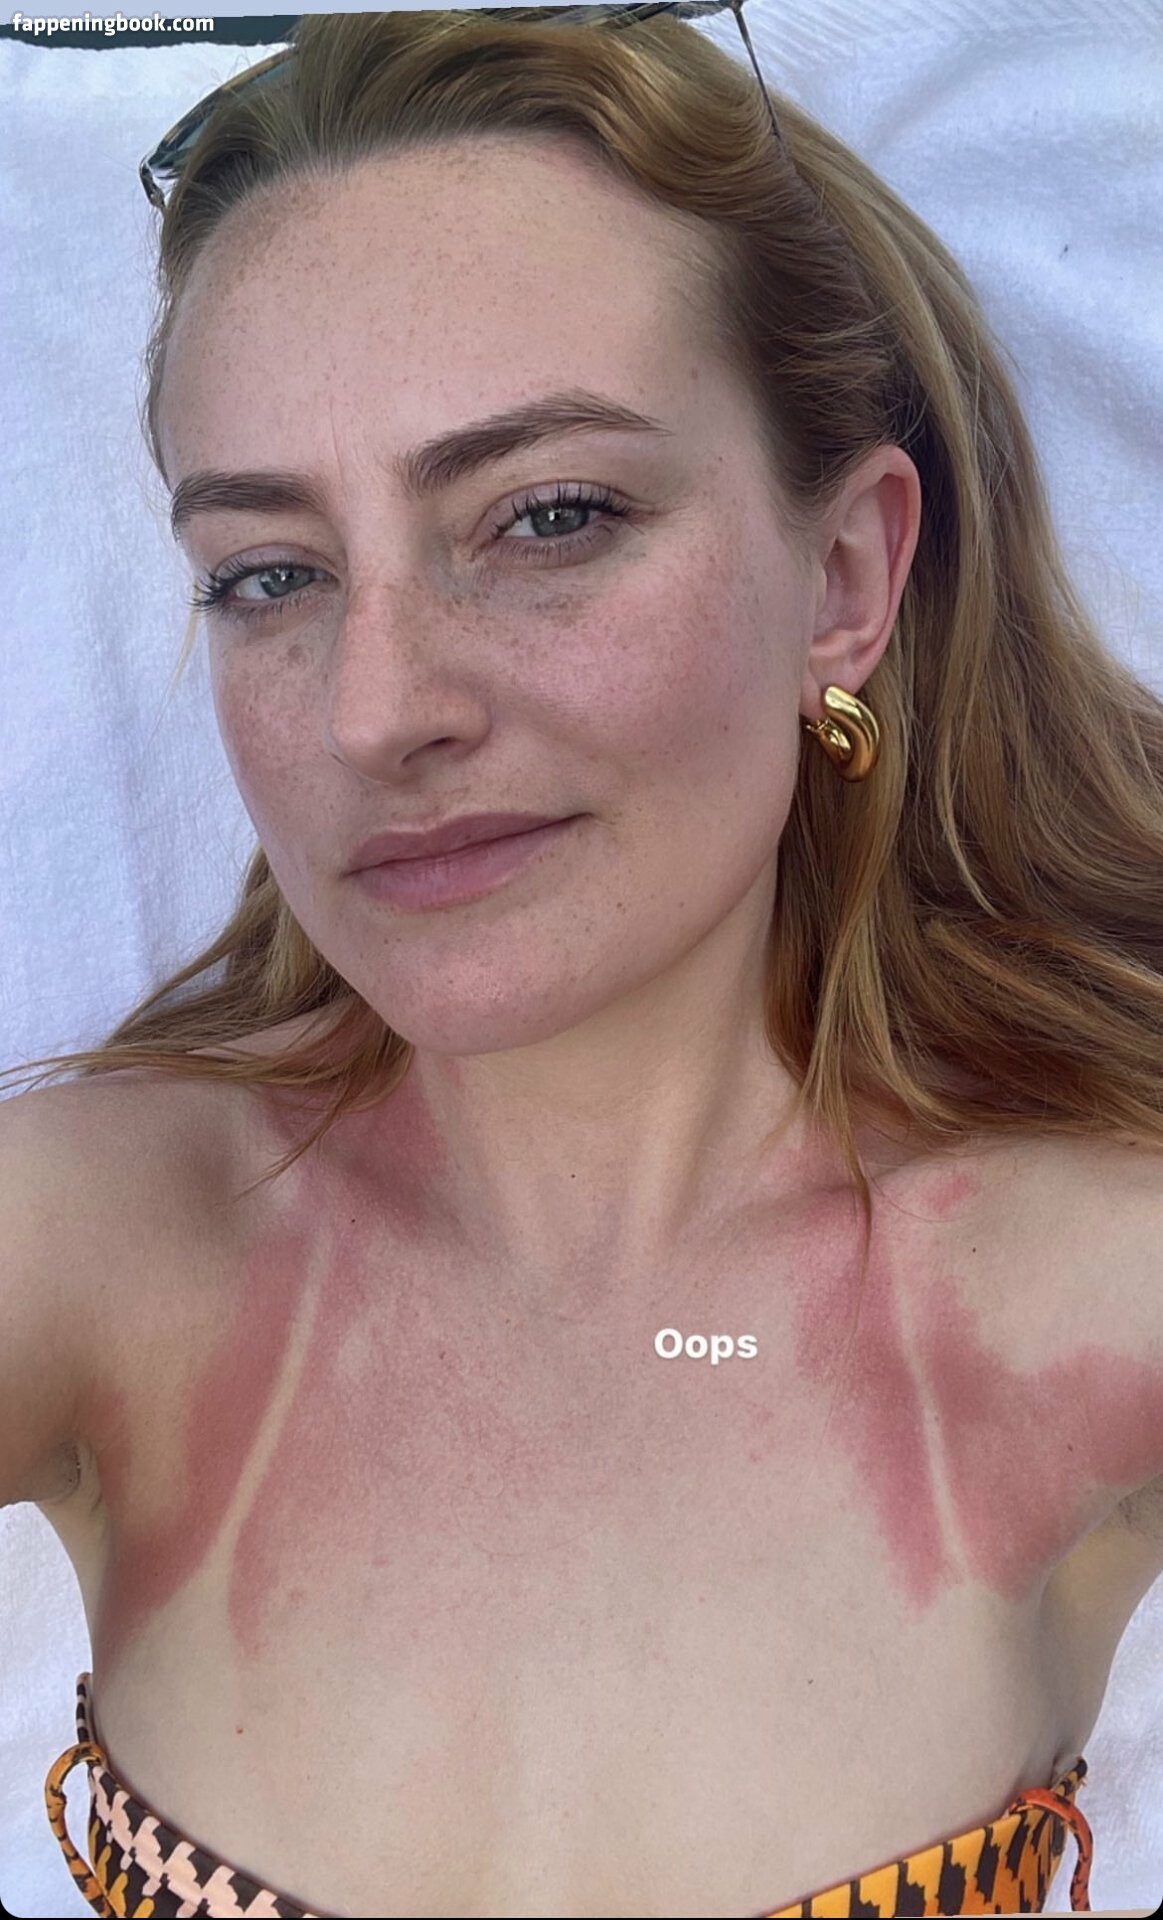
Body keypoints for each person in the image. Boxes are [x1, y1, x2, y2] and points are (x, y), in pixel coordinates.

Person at [4, 8, 1163, 1917]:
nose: (376, 711)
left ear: (845, 580)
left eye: (548, 518)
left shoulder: (1084, 1298)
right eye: (270, 572)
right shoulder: (98, 1245)